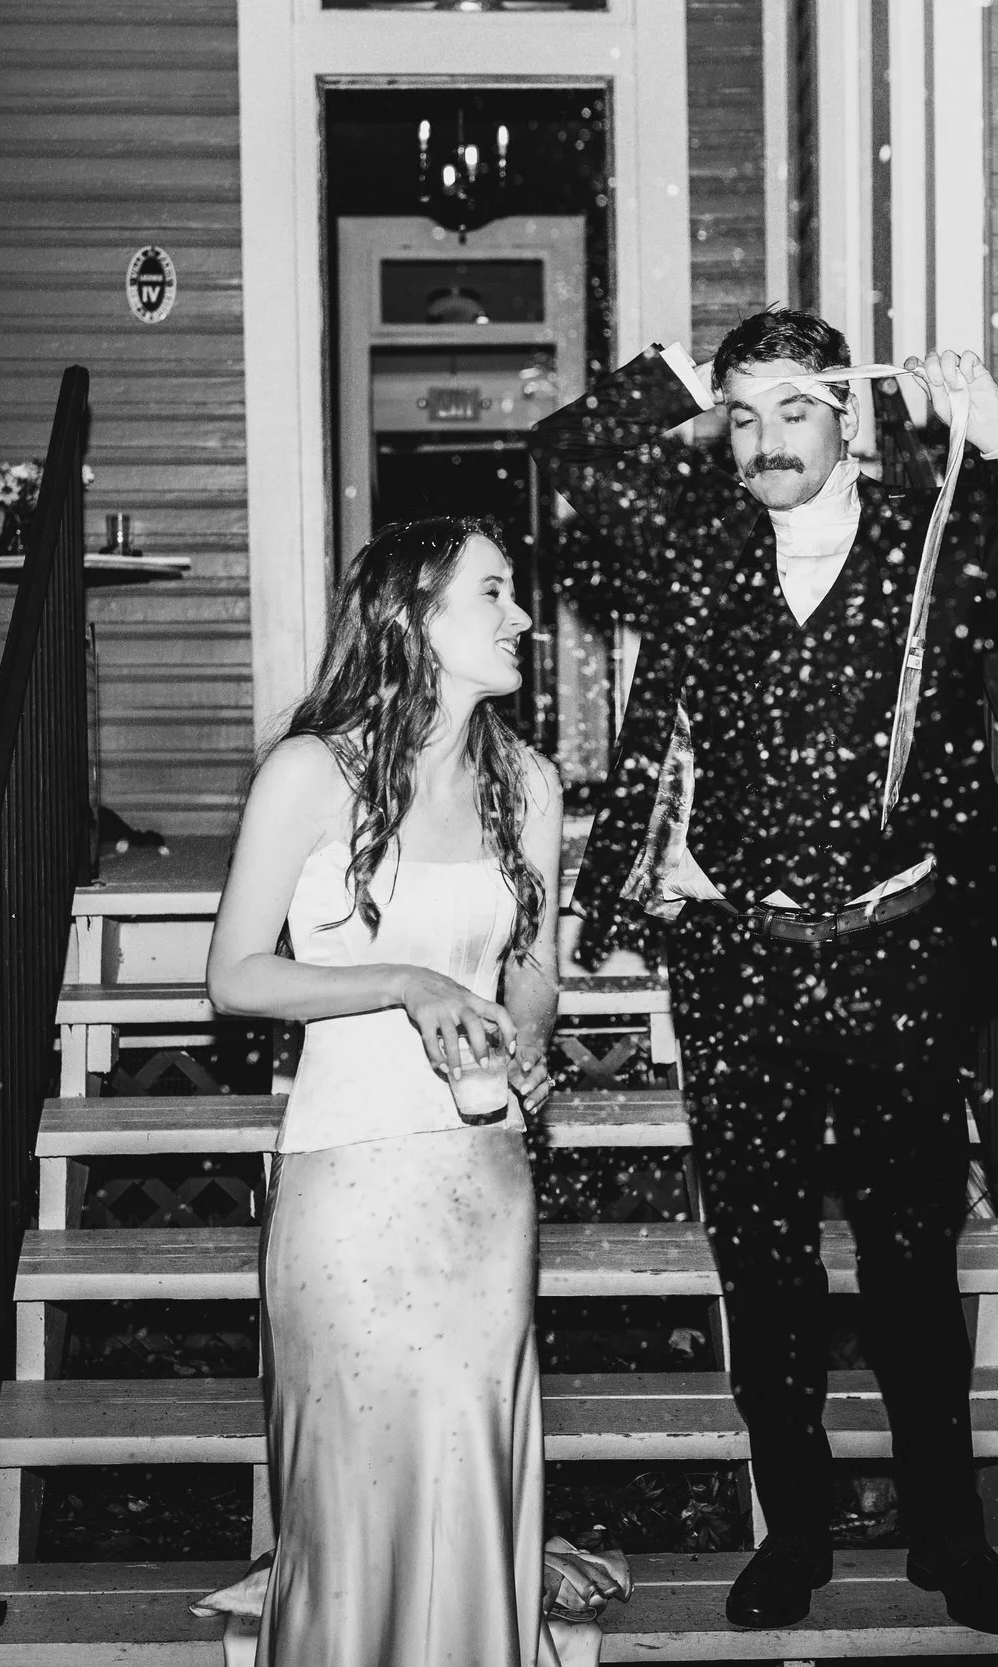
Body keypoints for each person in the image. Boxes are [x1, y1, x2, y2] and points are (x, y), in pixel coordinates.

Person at [535, 308, 998, 1636]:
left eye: (794, 409)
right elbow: (560, 481)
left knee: (912, 1265)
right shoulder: (700, 556)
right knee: (762, 1266)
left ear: (850, 417)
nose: (764, 441)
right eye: (742, 416)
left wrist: (995, 429)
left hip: (896, 951)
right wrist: (683, 378)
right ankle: (793, 1530)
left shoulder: (933, 539)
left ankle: (947, 1538)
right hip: (740, 959)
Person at [200, 516, 622, 1666]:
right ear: (418, 617)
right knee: (352, 1478)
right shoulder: (309, 770)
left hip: (481, 1179)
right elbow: (235, 977)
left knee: (474, 1465)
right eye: (495, 593)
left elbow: (535, 969)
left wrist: (524, 1033)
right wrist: (406, 981)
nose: (522, 617)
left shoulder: (526, 784)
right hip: (346, 1177)